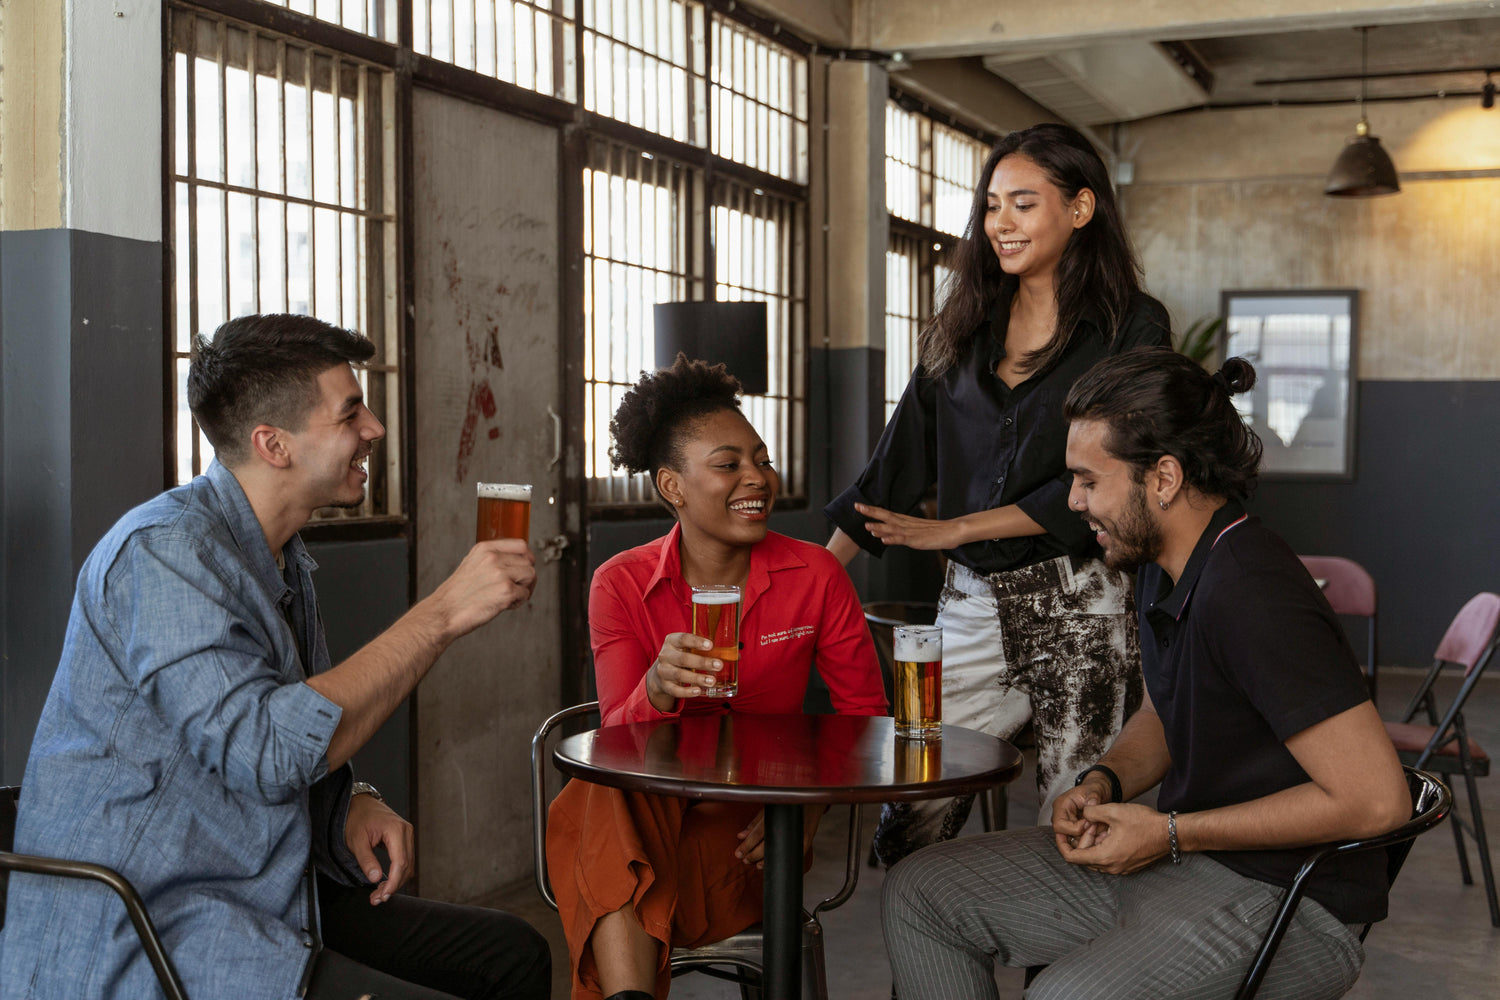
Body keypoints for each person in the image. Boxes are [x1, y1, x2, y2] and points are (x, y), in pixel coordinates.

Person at [0, 315, 551, 1000]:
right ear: (274, 444)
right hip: (154, 924)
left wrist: (350, 803)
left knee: (511, 955)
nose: (375, 428)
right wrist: (441, 613)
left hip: (262, 890)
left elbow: (280, 731)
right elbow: (264, 752)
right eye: (351, 413)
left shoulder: (279, 556)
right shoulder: (163, 554)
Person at [882, 349, 1411, 1000]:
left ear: (1164, 477)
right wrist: (1104, 780)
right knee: (922, 891)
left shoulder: (1253, 594)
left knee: (1063, 999)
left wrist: (1168, 832)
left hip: (1293, 901)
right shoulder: (1163, 564)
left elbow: (1376, 801)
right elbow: (1166, 707)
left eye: (1088, 480)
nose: (1073, 501)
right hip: (1193, 859)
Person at [825, 122, 1172, 863]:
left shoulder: (1132, 325)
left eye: (1023, 203)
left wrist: (959, 529)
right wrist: (813, 579)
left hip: (1084, 602)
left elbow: (1111, 474)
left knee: (1076, 828)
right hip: (970, 606)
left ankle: (1057, 949)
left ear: (1080, 208)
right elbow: (892, 469)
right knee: (912, 815)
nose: (1000, 224)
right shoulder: (961, 327)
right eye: (990, 206)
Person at [546, 355, 887, 1000]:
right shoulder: (620, 584)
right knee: (602, 794)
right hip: (644, 812)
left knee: (596, 818)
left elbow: (865, 719)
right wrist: (655, 689)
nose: (757, 478)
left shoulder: (816, 575)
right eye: (728, 465)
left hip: (753, 832)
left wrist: (807, 812)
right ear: (671, 486)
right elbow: (617, 740)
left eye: (762, 460)